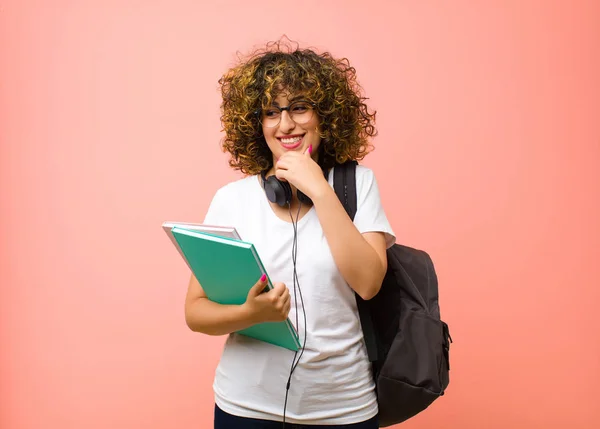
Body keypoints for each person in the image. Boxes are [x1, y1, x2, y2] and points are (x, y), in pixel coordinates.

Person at [184, 38, 396, 428]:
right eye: (271, 112)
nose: (285, 125)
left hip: (343, 409)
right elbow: (195, 313)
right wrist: (250, 314)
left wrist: (319, 188)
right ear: (256, 123)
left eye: (299, 107)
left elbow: (368, 283)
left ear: (326, 115)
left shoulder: (358, 185)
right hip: (245, 407)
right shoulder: (232, 200)